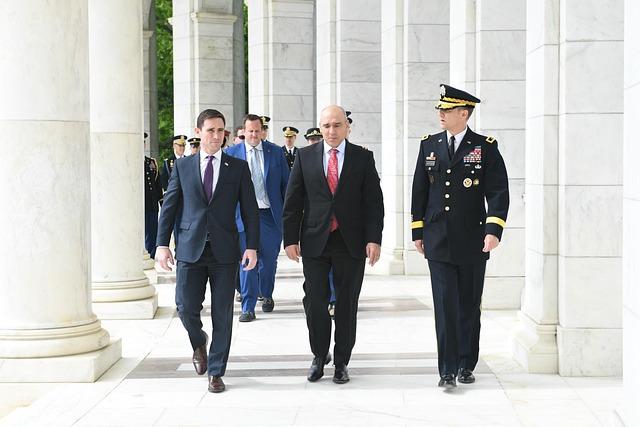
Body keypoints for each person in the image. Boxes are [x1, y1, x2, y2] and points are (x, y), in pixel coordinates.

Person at [411, 84, 509, 389]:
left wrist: (493, 230)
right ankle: (447, 369)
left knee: (468, 305)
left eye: (447, 109)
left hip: (472, 239)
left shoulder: (485, 147)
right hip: (437, 239)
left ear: (463, 114)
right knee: (444, 306)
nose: (440, 114)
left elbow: (498, 191)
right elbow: (419, 190)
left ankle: (466, 364)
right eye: (440, 109)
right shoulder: (429, 145)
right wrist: (417, 230)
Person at [156, 109, 260, 394]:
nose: (216, 136)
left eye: (221, 131)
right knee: (185, 307)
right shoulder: (183, 167)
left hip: (225, 252)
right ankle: (199, 340)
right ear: (198, 131)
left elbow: (250, 210)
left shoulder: (237, 167)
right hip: (190, 248)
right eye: (211, 130)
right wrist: (162, 245)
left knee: (223, 313)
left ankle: (216, 370)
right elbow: (170, 207)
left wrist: (252, 246)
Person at [283, 105, 384, 384]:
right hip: (315, 241)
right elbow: (293, 201)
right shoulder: (305, 157)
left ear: (347, 127)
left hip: (351, 242)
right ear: (320, 127)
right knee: (315, 302)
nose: (331, 131)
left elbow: (374, 203)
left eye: (337, 125)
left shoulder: (363, 158)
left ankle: (341, 362)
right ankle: (319, 355)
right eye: (326, 125)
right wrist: (290, 239)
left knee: (346, 304)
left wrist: (374, 239)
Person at [225, 114, 290, 321]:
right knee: (247, 262)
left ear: (262, 131)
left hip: (269, 215)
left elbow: (286, 185)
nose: (253, 134)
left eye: (257, 130)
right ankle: (248, 307)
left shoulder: (275, 152)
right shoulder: (231, 153)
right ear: (243, 132)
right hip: (242, 217)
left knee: (268, 261)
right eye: (250, 131)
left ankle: (266, 294)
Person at [304, 127, 336, 317]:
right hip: (315, 229)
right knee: (315, 288)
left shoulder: (359, 156)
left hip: (344, 232)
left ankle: (334, 299)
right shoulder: (304, 157)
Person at [144, 132, 163, 259]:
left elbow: (157, 185)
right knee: (143, 232)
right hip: (141, 205)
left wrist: (162, 202)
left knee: (152, 232)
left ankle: (151, 255)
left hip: (152, 204)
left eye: (143, 142)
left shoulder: (151, 162)